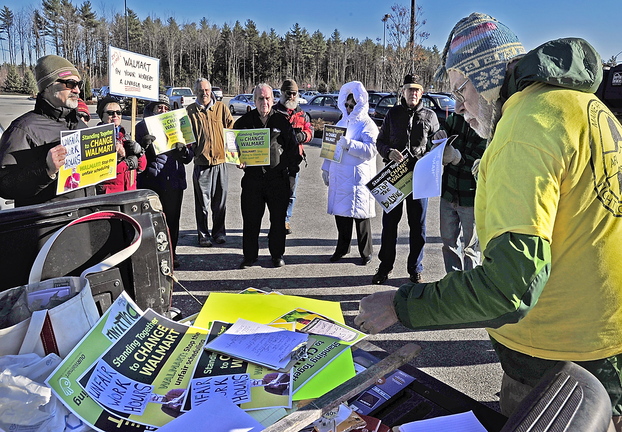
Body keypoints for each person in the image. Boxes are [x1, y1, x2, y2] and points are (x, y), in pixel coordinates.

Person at [354, 13, 622, 428]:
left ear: (490, 73)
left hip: (559, 363)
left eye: (461, 88)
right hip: (606, 341)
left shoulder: (522, 127)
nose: (458, 106)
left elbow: (510, 288)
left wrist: (401, 304)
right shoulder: (583, 106)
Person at [0, 54, 97, 207]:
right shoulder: (22, 129)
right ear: (48, 86)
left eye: (79, 84)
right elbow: (5, 186)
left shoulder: (78, 123)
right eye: (70, 84)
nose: (77, 90)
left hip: (85, 219)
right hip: (50, 225)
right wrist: (45, 169)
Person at [372, 74, 440, 285]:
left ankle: (415, 268)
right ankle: (385, 267)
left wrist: (431, 155)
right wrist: (388, 152)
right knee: (390, 225)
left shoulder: (430, 116)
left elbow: (438, 143)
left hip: (419, 179)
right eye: (410, 89)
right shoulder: (393, 114)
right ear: (403, 91)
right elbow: (380, 141)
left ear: (422, 93)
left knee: (418, 226)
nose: (413, 93)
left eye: (417, 90)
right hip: (395, 177)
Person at [234, 83, 302, 268]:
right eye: (260, 98)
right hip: (252, 180)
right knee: (251, 220)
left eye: (267, 98)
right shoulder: (243, 122)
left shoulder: (281, 121)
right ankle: (249, 256)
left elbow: (293, 150)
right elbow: (232, 148)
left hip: (277, 180)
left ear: (273, 100)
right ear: (254, 100)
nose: (264, 102)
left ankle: (277, 254)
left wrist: (288, 173)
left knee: (278, 221)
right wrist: (237, 159)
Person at [320, 81, 378, 266]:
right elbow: (330, 148)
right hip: (340, 175)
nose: (348, 108)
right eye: (346, 104)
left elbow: (371, 149)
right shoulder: (341, 121)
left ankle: (366, 252)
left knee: (360, 216)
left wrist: (350, 145)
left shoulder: (367, 124)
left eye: (352, 105)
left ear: (360, 104)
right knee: (341, 215)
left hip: (358, 177)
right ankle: (342, 248)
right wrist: (326, 168)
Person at [137, 94, 193, 269]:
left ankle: (172, 253)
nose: (163, 110)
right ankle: (152, 255)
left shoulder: (179, 125)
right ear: (152, 108)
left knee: (173, 221)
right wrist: (144, 145)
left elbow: (189, 157)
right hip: (151, 181)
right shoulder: (141, 126)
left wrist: (183, 150)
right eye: (159, 107)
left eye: (166, 108)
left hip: (174, 181)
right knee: (151, 222)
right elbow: (136, 156)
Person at [187, 78, 234, 247]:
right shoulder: (190, 111)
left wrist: (238, 155)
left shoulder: (221, 108)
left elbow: (232, 131)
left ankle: (219, 233)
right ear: (195, 92)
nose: (204, 93)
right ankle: (203, 235)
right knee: (202, 204)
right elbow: (186, 138)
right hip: (202, 164)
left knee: (220, 202)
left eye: (207, 90)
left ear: (211, 91)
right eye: (200, 90)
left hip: (221, 162)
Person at [436, 113, 486, 273]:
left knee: (472, 248)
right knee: (449, 242)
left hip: (471, 197)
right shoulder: (455, 118)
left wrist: (458, 157)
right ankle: (453, 283)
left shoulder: (486, 123)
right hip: (448, 194)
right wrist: (437, 136)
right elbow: (440, 133)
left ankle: (470, 290)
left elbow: (482, 161)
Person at [274, 79, 313, 235]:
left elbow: (311, 132)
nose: (291, 96)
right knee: (276, 193)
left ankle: (286, 220)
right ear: (282, 93)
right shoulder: (274, 112)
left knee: (291, 193)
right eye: (288, 93)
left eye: (294, 93)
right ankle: (277, 219)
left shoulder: (302, 114)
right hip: (276, 161)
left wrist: (303, 136)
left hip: (294, 160)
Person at [95, 96, 146, 194]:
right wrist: (125, 164)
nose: (115, 115)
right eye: (110, 113)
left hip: (129, 192)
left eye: (118, 112)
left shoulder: (126, 136)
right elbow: (99, 171)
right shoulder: (97, 138)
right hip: (110, 194)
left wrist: (140, 153)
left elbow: (141, 167)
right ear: (102, 116)